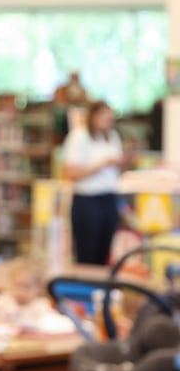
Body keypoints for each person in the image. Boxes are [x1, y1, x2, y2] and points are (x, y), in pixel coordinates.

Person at [63, 100, 127, 265]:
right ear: (93, 116)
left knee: (104, 252)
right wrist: (102, 164)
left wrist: (122, 163)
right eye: (103, 116)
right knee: (87, 252)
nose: (107, 120)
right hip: (87, 200)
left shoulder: (112, 136)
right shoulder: (79, 137)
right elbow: (71, 173)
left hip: (109, 197)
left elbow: (118, 171)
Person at [0, 255, 76, 334]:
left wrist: (26, 325)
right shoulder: (4, 300)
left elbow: (62, 325)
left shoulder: (41, 306)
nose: (20, 292)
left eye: (26, 287)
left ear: (39, 287)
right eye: (16, 285)